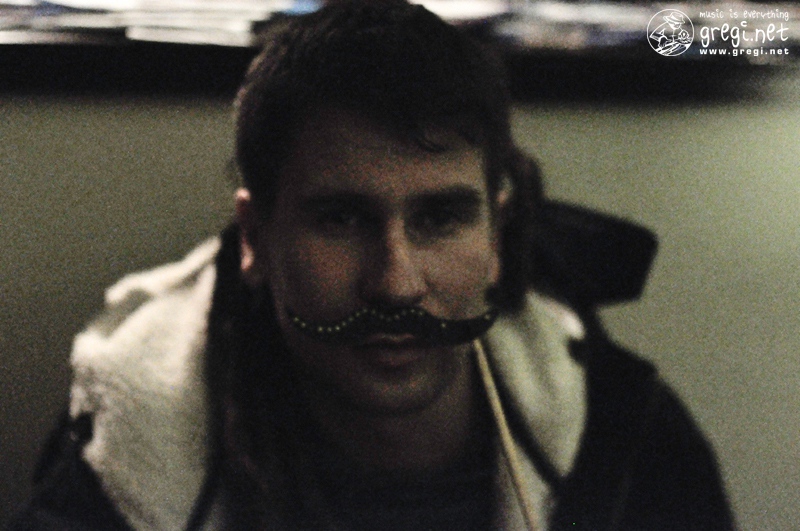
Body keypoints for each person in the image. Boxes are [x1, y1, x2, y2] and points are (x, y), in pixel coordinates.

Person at [14, 1, 734, 529]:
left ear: (495, 234)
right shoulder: (123, 445)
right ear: (255, 239)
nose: (395, 283)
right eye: (341, 219)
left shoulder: (628, 438)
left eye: (440, 219)